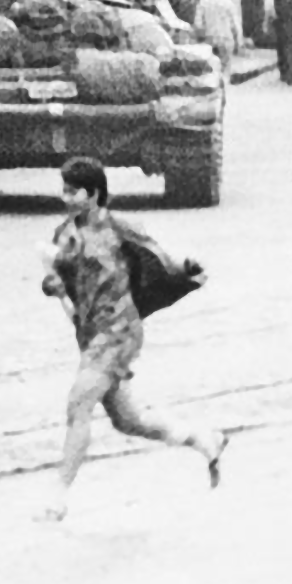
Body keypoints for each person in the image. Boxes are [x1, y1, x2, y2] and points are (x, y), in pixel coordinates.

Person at [36, 156, 228, 522]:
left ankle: (56, 499)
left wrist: (184, 271)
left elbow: (157, 255)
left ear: (93, 194)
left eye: (73, 191)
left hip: (119, 332)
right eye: (64, 190)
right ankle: (205, 440)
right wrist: (54, 285)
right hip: (90, 334)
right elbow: (65, 280)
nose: (66, 197)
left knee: (78, 404)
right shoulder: (63, 234)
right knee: (128, 420)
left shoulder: (119, 229)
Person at [192, 0, 243, 75]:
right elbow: (235, 25)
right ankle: (224, 84)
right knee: (225, 67)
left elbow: (198, 24)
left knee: (211, 68)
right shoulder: (228, 3)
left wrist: (199, 40)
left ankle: (215, 84)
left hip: (209, 39)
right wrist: (238, 42)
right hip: (226, 39)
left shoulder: (202, 3)